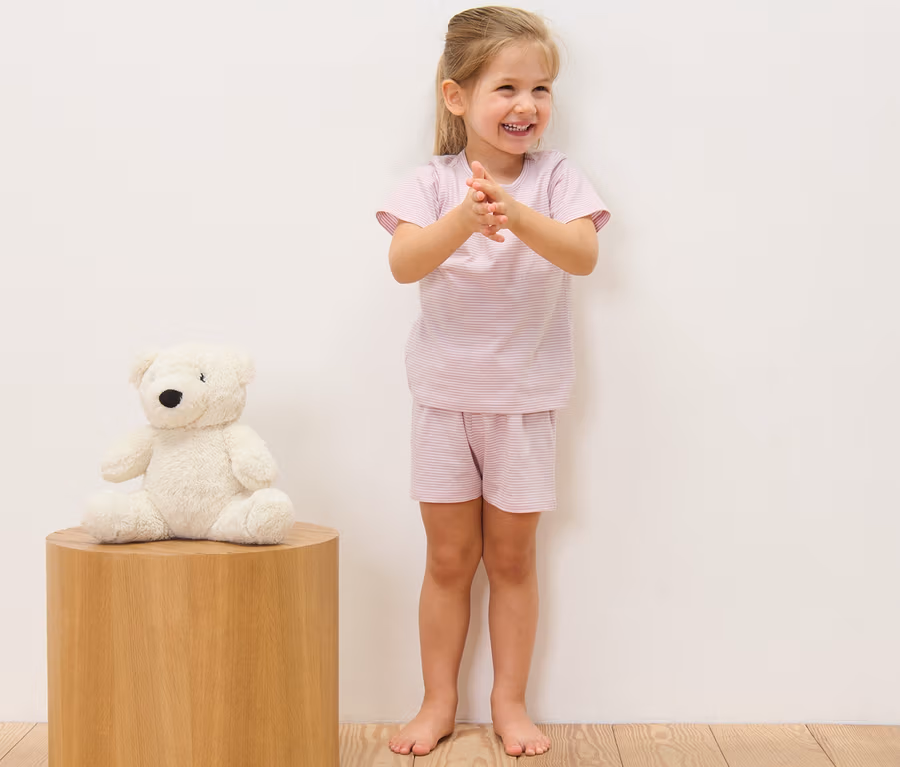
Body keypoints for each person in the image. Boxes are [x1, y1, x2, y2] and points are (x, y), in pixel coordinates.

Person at [375, 5, 611, 758]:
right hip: (444, 402)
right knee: (448, 562)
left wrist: (513, 212)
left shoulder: (558, 178)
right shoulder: (430, 183)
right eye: (507, 87)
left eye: (540, 89)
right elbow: (405, 263)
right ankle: (437, 701)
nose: (526, 105)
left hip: (524, 405)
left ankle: (509, 701)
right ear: (457, 97)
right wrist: (466, 219)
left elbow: (582, 255)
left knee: (511, 561)